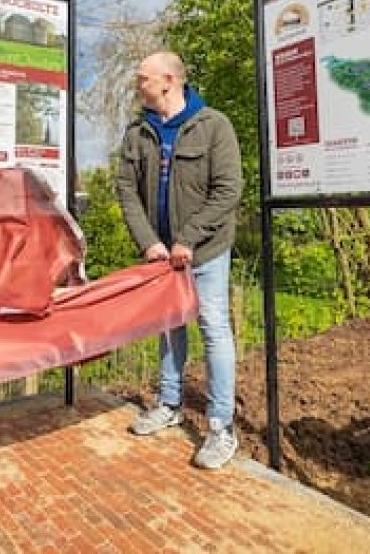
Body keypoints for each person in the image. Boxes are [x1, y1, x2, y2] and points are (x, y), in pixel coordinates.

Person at [116, 50, 243, 469]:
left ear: (168, 80)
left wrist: (188, 238)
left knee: (213, 328)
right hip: (161, 256)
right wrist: (149, 241)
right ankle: (169, 404)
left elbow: (228, 190)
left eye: (142, 78)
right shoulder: (138, 133)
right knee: (169, 328)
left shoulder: (214, 126)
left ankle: (221, 426)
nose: (137, 84)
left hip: (204, 251)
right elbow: (127, 191)